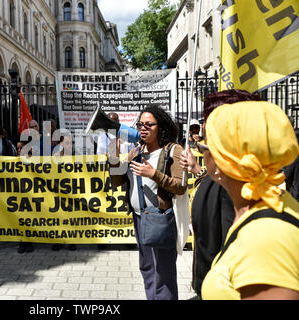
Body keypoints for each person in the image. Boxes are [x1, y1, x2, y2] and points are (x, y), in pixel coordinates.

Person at [200, 101, 299, 300]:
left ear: (221, 160)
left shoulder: (265, 237)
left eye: (205, 142)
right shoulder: (265, 207)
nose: (201, 149)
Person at [179, 89, 261, 298]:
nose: (202, 147)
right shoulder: (223, 179)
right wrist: (198, 170)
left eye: (207, 139)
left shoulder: (235, 188)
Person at [108, 106, 187, 300]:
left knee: (163, 274)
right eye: (140, 125)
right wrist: (113, 159)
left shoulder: (173, 150)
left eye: (149, 124)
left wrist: (154, 174)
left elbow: (180, 187)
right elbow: (118, 181)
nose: (143, 128)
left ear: (161, 127)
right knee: (147, 269)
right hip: (139, 218)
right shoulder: (136, 151)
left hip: (160, 220)